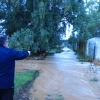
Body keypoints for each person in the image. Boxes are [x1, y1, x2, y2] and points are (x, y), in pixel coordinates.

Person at [0, 34, 30, 100]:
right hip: (7, 86)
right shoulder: (10, 52)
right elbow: (22, 55)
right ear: (5, 43)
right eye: (7, 41)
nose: (8, 43)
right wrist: (28, 52)